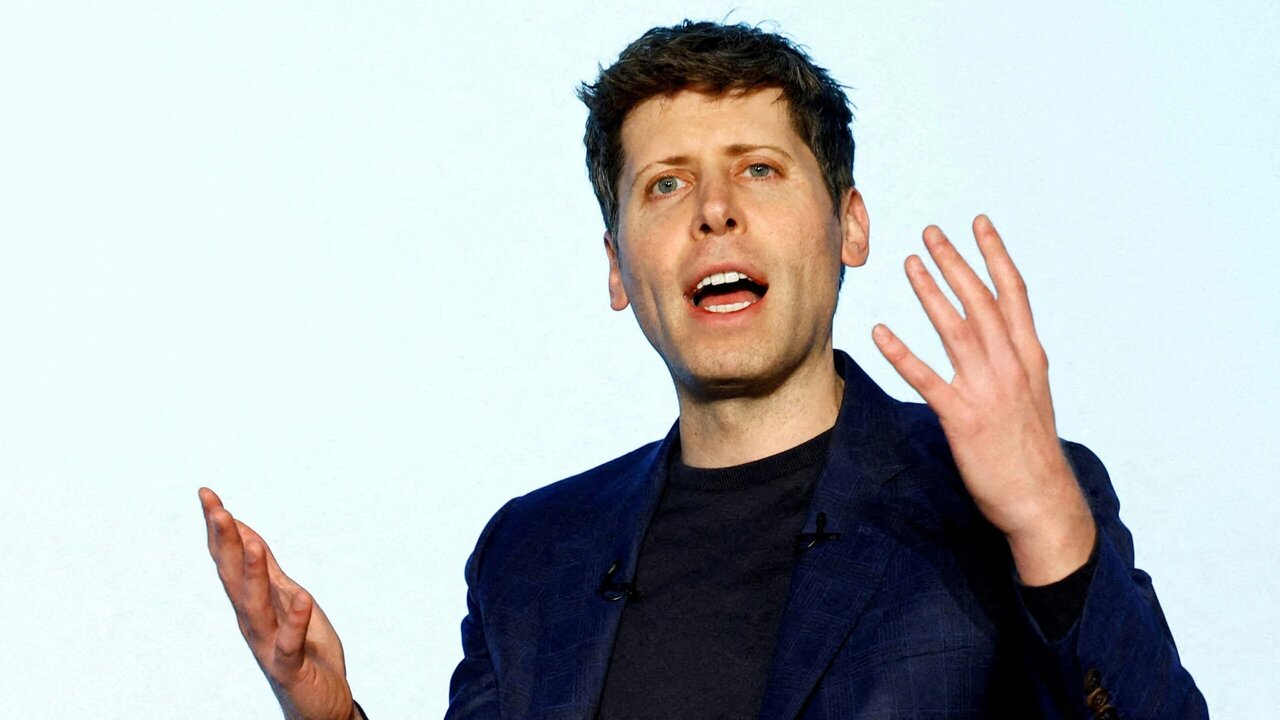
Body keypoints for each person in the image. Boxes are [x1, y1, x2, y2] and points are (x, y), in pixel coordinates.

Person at [200, 20, 1208, 720]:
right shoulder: (531, 553)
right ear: (616, 267)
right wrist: (328, 713)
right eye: (665, 185)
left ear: (848, 225)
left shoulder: (1006, 499)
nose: (713, 211)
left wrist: (1047, 526)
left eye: (758, 169)